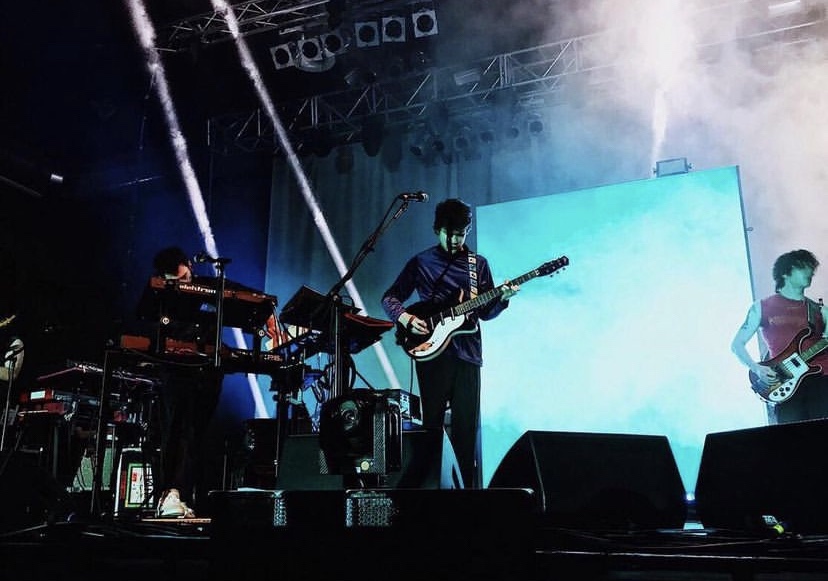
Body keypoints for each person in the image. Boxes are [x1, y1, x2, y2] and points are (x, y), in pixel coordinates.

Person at [381, 198, 518, 488]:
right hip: (431, 354)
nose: (456, 240)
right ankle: (429, 491)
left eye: (462, 234)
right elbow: (390, 298)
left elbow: (485, 312)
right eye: (450, 234)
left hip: (468, 354)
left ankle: (463, 496)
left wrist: (502, 300)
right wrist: (406, 318)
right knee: (432, 429)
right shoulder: (421, 262)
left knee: (466, 431)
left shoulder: (478, 265)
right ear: (437, 229)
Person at [731, 248, 828, 423]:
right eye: (804, 267)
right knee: (791, 436)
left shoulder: (820, 310)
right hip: (785, 380)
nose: (810, 272)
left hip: (821, 378)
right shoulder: (761, 307)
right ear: (785, 272)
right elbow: (737, 345)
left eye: (811, 268)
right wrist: (756, 368)